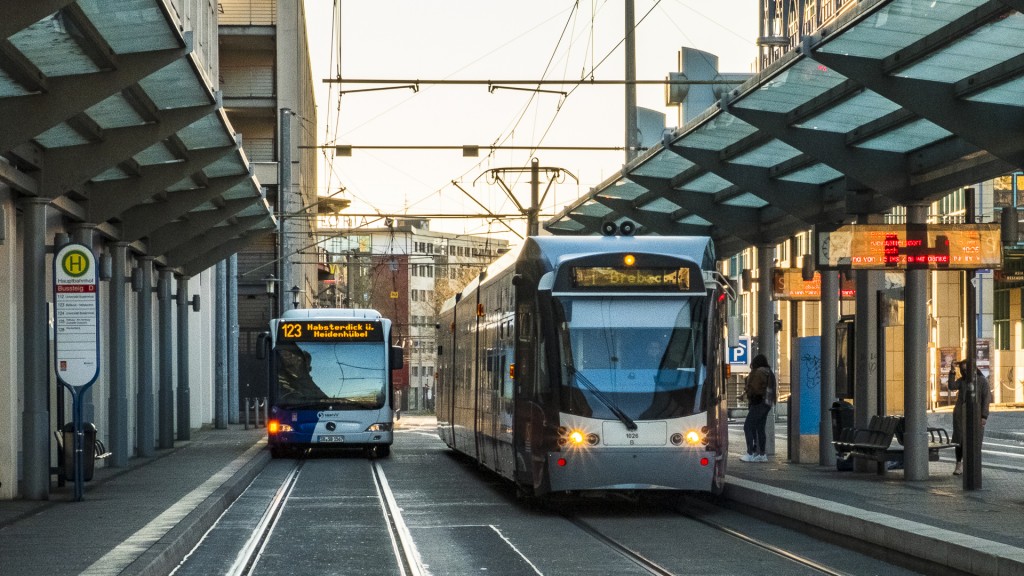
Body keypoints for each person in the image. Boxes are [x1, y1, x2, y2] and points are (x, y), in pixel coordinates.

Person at [947, 359, 992, 475]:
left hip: (976, 416)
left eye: (967, 369)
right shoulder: (962, 381)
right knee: (960, 440)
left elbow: (986, 399)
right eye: (962, 370)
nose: (965, 372)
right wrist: (952, 370)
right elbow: (952, 386)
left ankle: (973, 465)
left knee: (975, 441)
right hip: (960, 415)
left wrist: (984, 416)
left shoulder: (982, 381)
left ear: (973, 369)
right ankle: (959, 464)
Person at [740, 353, 775, 463]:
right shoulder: (769, 372)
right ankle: (762, 454)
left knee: (748, 426)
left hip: (758, 402)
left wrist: (747, 391)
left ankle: (750, 453)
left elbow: (754, 388)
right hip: (767, 403)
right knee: (760, 428)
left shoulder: (758, 372)